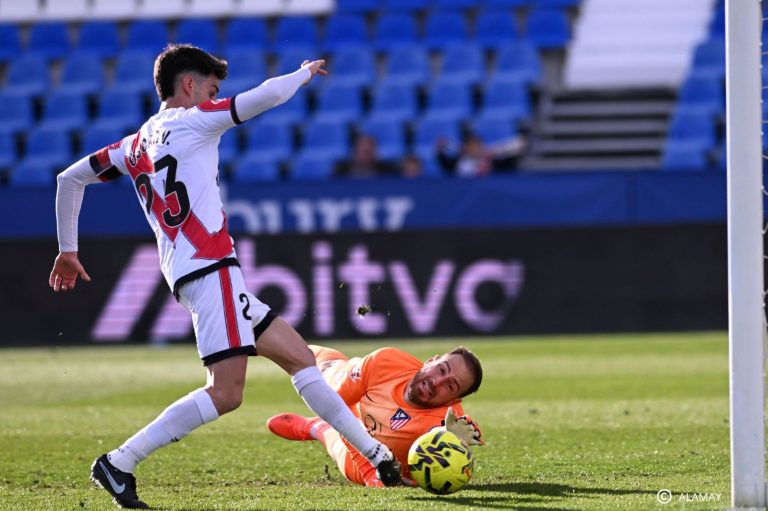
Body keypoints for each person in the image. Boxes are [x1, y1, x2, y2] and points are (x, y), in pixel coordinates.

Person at [48, 44, 401, 509]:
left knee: (301, 360)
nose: (214, 96)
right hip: (209, 268)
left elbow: (68, 180)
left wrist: (67, 250)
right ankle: (119, 462)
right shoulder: (193, 120)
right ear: (188, 85)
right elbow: (265, 96)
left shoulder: (131, 146)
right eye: (211, 88)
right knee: (226, 392)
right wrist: (301, 74)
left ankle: (378, 457)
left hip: (197, 272)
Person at [267, 345, 484, 487]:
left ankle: (314, 428)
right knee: (325, 374)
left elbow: (438, 436)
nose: (437, 382)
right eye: (441, 369)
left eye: (450, 386)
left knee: (334, 439)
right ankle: (274, 337)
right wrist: (369, 470)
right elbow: (335, 407)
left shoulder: (449, 425)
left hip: (358, 447)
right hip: (357, 396)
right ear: (430, 361)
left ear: (453, 401)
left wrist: (451, 443)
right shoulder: (386, 361)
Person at [437, 132, 525, 177]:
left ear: (481, 147)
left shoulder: (489, 162)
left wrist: (517, 150)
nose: (474, 149)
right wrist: (440, 152)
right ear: (466, 148)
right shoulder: (459, 162)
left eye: (476, 146)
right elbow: (446, 165)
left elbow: (508, 163)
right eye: (471, 147)